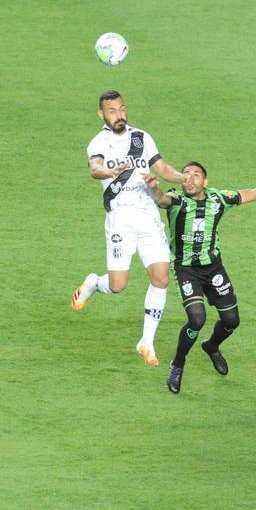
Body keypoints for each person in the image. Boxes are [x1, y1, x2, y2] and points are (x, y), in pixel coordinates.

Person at [144, 163, 256, 394]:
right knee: (197, 319)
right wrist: (154, 188)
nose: (190, 178)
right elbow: (161, 201)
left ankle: (211, 346)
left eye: (196, 175)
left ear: (205, 182)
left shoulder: (219, 199)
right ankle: (177, 364)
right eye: (186, 174)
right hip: (187, 270)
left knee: (231, 321)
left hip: (214, 269)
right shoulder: (176, 199)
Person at [71, 91, 185, 367]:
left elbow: (163, 168)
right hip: (121, 218)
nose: (119, 115)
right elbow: (94, 169)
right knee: (117, 285)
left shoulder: (141, 138)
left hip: (148, 214)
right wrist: (110, 172)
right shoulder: (98, 143)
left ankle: (146, 341)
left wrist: (185, 179)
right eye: (112, 111)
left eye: (122, 109)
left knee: (161, 278)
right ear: (102, 114)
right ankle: (93, 283)